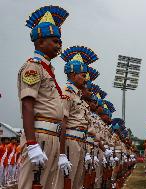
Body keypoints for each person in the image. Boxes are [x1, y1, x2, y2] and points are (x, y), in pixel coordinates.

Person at [17, 6, 69, 188]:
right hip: (39, 135)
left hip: (52, 135)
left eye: (59, 42)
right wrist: (31, 143)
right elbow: (28, 105)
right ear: (40, 42)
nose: (58, 46)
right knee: (31, 185)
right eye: (54, 41)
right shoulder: (33, 68)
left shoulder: (49, 71)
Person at [55, 45, 98, 188]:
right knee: (66, 182)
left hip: (80, 142)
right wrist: (61, 153)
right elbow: (63, 123)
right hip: (70, 142)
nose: (85, 79)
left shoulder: (77, 97)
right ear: (73, 75)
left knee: (77, 183)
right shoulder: (66, 93)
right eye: (83, 75)